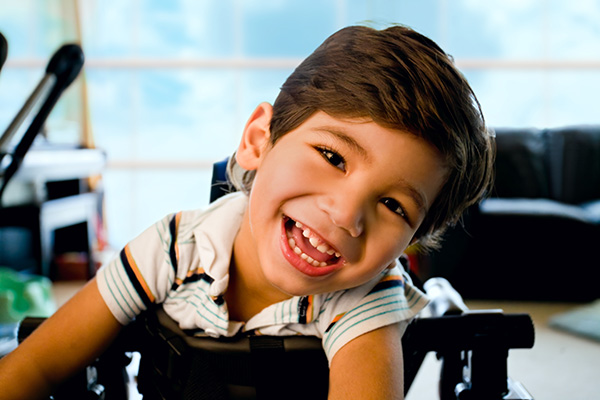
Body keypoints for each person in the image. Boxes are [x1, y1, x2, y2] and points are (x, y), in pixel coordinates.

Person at [0, 24, 494, 399]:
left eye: (392, 204)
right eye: (332, 157)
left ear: (409, 240)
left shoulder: (364, 296)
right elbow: (37, 366)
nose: (346, 214)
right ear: (260, 140)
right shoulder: (173, 247)